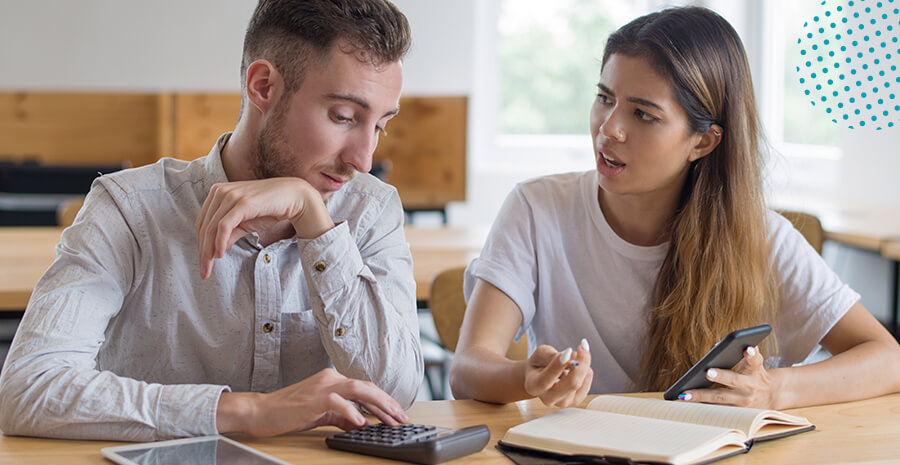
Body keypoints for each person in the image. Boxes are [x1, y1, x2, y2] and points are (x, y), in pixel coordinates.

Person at [0, 0, 423, 440]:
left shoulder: (370, 211)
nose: (363, 159)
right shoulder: (129, 208)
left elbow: (397, 391)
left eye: (379, 126)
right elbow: (28, 389)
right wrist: (246, 412)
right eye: (343, 117)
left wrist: (314, 222)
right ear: (263, 87)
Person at [449, 6, 900, 410]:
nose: (609, 128)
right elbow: (467, 369)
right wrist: (526, 377)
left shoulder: (761, 237)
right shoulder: (536, 209)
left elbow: (887, 359)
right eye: (605, 97)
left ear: (702, 141)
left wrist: (775, 389)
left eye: (642, 114)